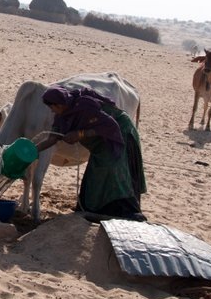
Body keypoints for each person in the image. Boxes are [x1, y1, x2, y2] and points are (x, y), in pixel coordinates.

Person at [35, 85, 147, 221]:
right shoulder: (62, 116)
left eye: (52, 107)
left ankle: (124, 211)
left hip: (118, 133)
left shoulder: (85, 106)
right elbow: (52, 138)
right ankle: (94, 209)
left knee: (111, 169)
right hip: (100, 143)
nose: (52, 111)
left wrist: (81, 133)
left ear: (59, 104)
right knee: (96, 172)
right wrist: (33, 150)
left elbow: (110, 126)